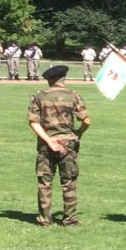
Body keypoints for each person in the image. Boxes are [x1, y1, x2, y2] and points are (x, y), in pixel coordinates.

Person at [28, 65, 91, 227]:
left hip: (46, 145)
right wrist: (78, 133)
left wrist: (49, 141)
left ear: (50, 80)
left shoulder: (39, 96)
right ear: (64, 79)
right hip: (69, 143)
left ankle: (45, 219)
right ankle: (70, 219)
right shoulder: (73, 96)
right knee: (69, 181)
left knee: (45, 182)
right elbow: (86, 120)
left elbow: (33, 122)